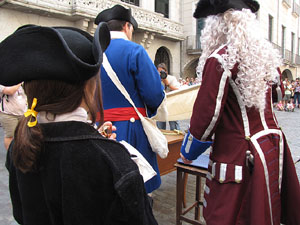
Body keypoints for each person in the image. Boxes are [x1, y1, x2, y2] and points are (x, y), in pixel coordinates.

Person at [1, 23, 158, 225]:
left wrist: (94, 141)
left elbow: (22, 214)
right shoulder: (113, 161)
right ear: (89, 87)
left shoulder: (19, 145)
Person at [180, 1, 300, 224]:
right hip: (271, 145)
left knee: (232, 217)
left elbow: (206, 117)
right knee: (264, 213)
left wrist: (188, 152)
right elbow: (278, 96)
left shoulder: (220, 58)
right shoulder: (266, 58)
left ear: (217, 25)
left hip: (238, 156)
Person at [94, 4, 165, 194]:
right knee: (137, 187)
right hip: (131, 130)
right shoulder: (135, 51)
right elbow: (155, 94)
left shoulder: (93, 53)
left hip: (99, 128)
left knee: (106, 186)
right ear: (127, 26)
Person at [0, 83, 27, 150]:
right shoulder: (3, 82)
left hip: (23, 113)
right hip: (8, 114)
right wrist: (19, 82)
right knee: (10, 136)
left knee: (23, 135)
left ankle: (21, 154)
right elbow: (10, 91)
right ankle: (10, 155)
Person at [156, 63, 180, 130]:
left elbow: (178, 89)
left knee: (174, 127)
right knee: (160, 128)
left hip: (172, 105)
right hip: (161, 106)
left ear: (166, 71)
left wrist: (168, 84)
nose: (160, 74)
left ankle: (176, 140)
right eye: (159, 72)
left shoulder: (171, 78)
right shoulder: (156, 80)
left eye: (162, 72)